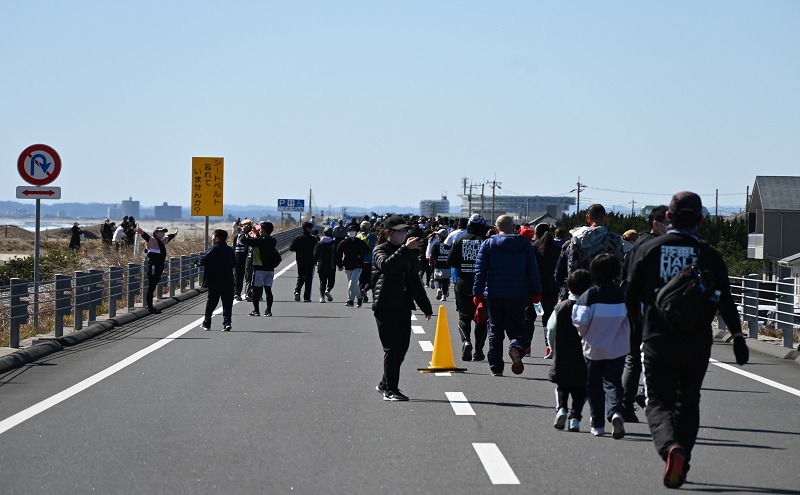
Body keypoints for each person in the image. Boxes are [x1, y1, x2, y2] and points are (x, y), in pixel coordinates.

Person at [625, 191, 748, 489]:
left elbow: (629, 297)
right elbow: (726, 301)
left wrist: (634, 334)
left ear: (668, 218)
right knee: (689, 401)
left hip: (657, 336)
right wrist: (737, 336)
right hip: (696, 339)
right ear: (702, 220)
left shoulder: (649, 249)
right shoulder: (709, 255)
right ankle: (684, 459)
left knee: (658, 401)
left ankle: (671, 449)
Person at [372, 215, 433, 401]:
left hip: (403, 305)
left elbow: (414, 280)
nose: (403, 234)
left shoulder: (406, 253)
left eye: (405, 231)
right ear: (389, 232)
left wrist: (425, 305)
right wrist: (405, 249)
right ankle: (391, 390)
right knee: (392, 348)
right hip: (385, 306)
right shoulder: (379, 250)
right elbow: (386, 266)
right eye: (399, 231)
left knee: (402, 349)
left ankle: (384, 384)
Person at [472, 215, 542, 376]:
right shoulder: (525, 245)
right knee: (517, 327)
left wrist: (477, 293)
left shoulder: (488, 244)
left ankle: (496, 367)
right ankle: (516, 347)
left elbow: (480, 271)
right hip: (518, 294)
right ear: (514, 228)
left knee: (495, 331)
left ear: (496, 229)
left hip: (494, 295)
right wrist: (537, 292)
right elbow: (533, 270)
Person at [572, 254, 630, 439]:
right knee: (613, 383)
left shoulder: (589, 295)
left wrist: (584, 334)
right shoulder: (622, 295)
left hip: (593, 348)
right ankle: (615, 413)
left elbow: (580, 321)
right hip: (617, 348)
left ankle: (598, 425)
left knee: (594, 386)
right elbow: (630, 321)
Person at [620, 205, 669, 422]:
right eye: (669, 224)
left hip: (633, 308)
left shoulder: (637, 243)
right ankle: (636, 401)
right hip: (650, 310)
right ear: (656, 224)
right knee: (654, 360)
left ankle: (629, 404)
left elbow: (625, 279)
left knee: (634, 359)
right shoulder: (657, 246)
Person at [547, 268, 592, 432]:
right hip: (585, 356)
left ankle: (561, 409)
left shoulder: (561, 307)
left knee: (562, 386)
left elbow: (551, 329)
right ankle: (575, 419)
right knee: (581, 389)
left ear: (569, 288)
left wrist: (553, 347)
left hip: (563, 355)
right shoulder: (591, 308)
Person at [447, 213, 489, 361]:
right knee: (482, 317)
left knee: (464, 316)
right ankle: (478, 350)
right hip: (483, 284)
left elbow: (450, 261)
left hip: (463, 282)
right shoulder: (486, 242)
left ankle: (466, 341)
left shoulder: (459, 241)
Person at [567, 203, 624, 280]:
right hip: (606, 284)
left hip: (582, 284)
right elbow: (619, 264)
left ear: (587, 218)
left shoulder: (577, 237)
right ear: (605, 217)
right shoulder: (614, 238)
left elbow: (572, 263)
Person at [196, 229, 236, 331]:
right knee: (227, 303)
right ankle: (227, 323)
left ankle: (207, 323)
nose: (212, 239)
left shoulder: (214, 249)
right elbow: (234, 263)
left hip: (215, 281)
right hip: (228, 280)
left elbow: (204, 260)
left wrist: (197, 262)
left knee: (211, 303)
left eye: (213, 237)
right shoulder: (230, 250)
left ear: (217, 238)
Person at [532, 224, 561, 359]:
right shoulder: (557, 248)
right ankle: (548, 346)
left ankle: (526, 347)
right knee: (548, 319)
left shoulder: (533, 248)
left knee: (529, 317)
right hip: (551, 289)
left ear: (536, 233)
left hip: (535, 290)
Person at [136, 226, 178, 314]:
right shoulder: (152, 240)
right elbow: (146, 237)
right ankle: (150, 307)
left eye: (163, 232)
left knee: (154, 285)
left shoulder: (161, 241)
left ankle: (151, 307)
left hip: (159, 266)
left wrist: (174, 234)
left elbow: (168, 237)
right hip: (153, 266)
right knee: (151, 286)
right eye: (160, 232)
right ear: (155, 233)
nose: (163, 233)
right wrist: (142, 232)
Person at [241, 221, 279, 316]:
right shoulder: (272, 240)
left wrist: (245, 232)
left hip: (259, 269)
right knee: (268, 290)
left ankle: (256, 310)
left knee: (256, 290)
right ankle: (268, 311)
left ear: (264, 230)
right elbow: (258, 240)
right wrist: (256, 233)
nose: (259, 230)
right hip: (270, 269)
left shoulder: (260, 241)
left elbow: (244, 240)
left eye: (260, 229)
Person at [336, 225, 369, 307]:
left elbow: (367, 249)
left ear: (356, 233)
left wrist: (361, 255)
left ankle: (350, 300)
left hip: (358, 265)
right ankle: (359, 297)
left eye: (353, 232)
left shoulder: (359, 241)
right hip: (347, 265)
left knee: (352, 282)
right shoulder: (344, 242)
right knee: (353, 284)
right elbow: (338, 254)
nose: (352, 233)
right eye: (350, 232)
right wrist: (339, 265)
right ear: (347, 233)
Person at [289, 221, 318, 302]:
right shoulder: (313, 239)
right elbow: (316, 250)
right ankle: (307, 297)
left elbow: (291, 248)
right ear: (307, 228)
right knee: (308, 278)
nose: (312, 230)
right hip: (310, 261)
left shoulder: (297, 237)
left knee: (300, 276)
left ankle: (297, 291)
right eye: (311, 228)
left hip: (300, 260)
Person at [314, 227, 337, 302]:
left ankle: (322, 297)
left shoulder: (319, 243)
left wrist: (315, 262)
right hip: (331, 265)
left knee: (322, 282)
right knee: (331, 281)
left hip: (321, 265)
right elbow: (337, 254)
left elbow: (315, 254)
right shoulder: (333, 243)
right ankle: (328, 290)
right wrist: (340, 263)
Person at [357, 221, 378, 303]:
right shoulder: (374, 237)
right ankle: (365, 290)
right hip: (371, 260)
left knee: (361, 280)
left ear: (361, 227)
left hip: (360, 261)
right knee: (371, 280)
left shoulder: (358, 236)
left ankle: (362, 296)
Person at [233, 219, 253, 301]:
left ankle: (248, 293)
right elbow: (234, 248)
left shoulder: (250, 236)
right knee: (238, 277)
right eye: (245, 225)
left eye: (248, 225)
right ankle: (237, 293)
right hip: (238, 259)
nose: (247, 227)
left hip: (248, 258)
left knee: (249, 277)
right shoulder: (237, 237)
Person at [430, 229, 451, 301]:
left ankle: (438, 289)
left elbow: (432, 255)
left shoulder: (437, 244)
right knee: (445, 281)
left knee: (437, 279)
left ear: (441, 236)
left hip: (438, 265)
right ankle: (444, 296)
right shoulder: (450, 244)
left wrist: (430, 263)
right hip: (447, 265)